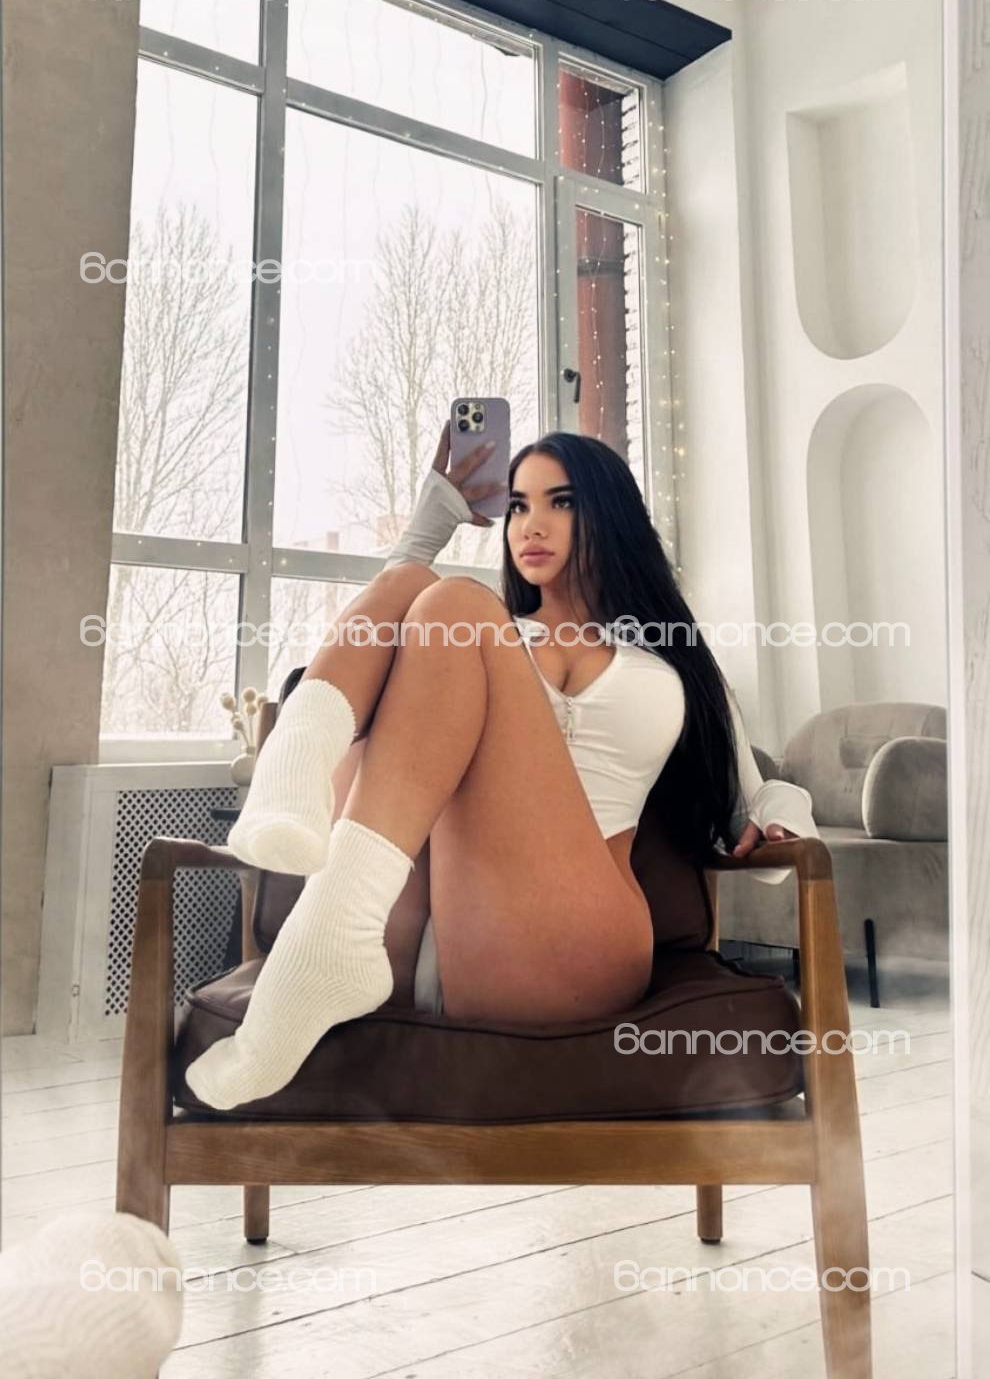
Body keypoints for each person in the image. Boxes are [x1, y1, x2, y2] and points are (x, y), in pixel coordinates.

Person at [185, 422, 817, 1110]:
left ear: (611, 513)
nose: (530, 525)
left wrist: (785, 819)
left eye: (561, 502)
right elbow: (387, 623)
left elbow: (754, 797)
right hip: (414, 934)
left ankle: (322, 925)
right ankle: (306, 822)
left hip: (575, 941)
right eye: (517, 505)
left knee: (451, 601)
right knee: (418, 586)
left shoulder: (674, 660)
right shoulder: (477, 638)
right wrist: (431, 522)